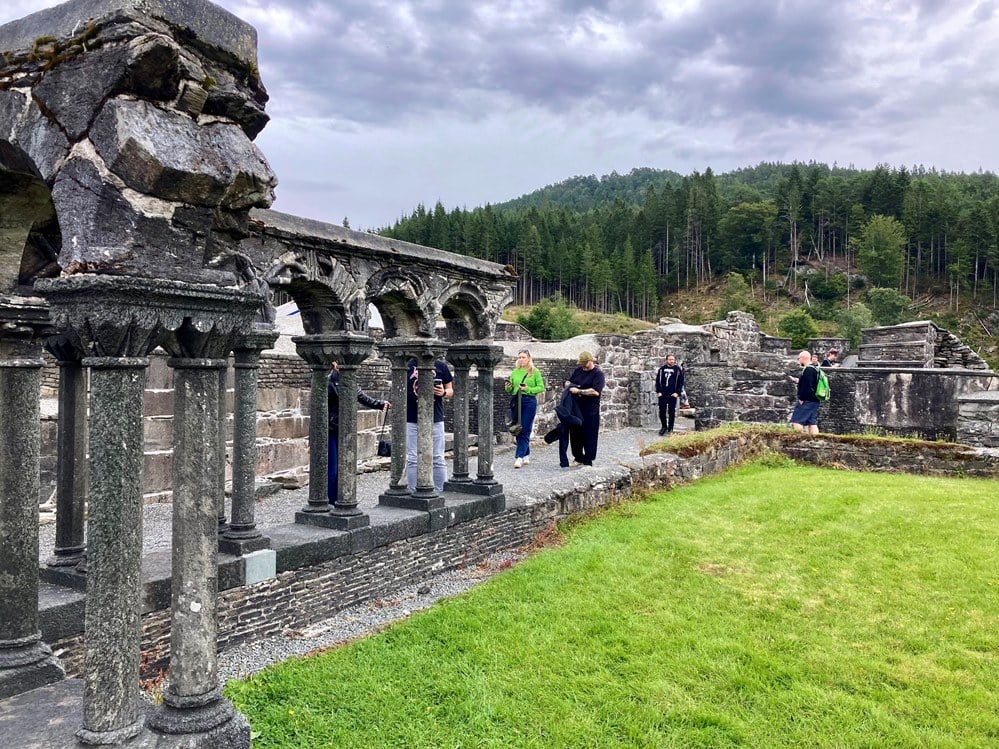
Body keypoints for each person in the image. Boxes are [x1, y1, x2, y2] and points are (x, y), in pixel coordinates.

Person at [327, 362, 388, 505]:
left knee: (345, 466)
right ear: (334, 364)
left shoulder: (350, 379)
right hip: (331, 429)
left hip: (346, 430)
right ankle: (331, 500)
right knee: (333, 469)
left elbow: (361, 396)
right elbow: (318, 410)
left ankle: (343, 498)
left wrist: (380, 404)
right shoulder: (329, 381)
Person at [406, 357, 453, 492]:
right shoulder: (406, 365)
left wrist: (443, 392)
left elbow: (450, 390)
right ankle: (413, 492)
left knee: (438, 457)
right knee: (413, 458)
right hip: (411, 417)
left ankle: (440, 492)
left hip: (435, 417)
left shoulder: (441, 366)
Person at [504, 349, 545, 468]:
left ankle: (519, 456)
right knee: (517, 427)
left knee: (525, 428)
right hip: (516, 401)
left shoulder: (534, 372)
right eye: (519, 357)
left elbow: (541, 387)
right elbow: (511, 390)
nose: (521, 359)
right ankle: (526, 454)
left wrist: (528, 389)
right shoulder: (515, 371)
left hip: (529, 401)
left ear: (529, 359)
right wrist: (508, 387)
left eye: (523, 357)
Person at [564, 351, 605, 466]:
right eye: (581, 362)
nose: (582, 365)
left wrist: (579, 391)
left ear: (590, 361)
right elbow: (569, 381)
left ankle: (588, 460)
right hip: (576, 407)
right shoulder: (578, 370)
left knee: (589, 434)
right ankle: (578, 457)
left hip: (590, 409)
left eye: (584, 363)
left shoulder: (598, 374)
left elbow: (596, 391)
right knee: (575, 433)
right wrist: (569, 385)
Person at [790, 350, 820, 435]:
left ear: (803, 358)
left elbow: (807, 386)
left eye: (799, 358)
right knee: (812, 423)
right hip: (815, 400)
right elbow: (811, 383)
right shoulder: (815, 369)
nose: (798, 360)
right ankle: (815, 440)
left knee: (796, 421)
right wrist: (799, 381)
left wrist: (802, 398)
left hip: (807, 400)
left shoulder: (808, 370)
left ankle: (798, 439)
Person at [654, 354, 685, 436]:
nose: (672, 361)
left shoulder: (677, 370)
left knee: (671, 412)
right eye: (670, 359)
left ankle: (670, 428)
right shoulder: (662, 369)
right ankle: (664, 426)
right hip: (663, 394)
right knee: (662, 411)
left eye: (673, 359)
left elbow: (681, 382)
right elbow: (658, 381)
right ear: (666, 360)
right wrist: (658, 391)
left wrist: (677, 392)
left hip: (672, 394)